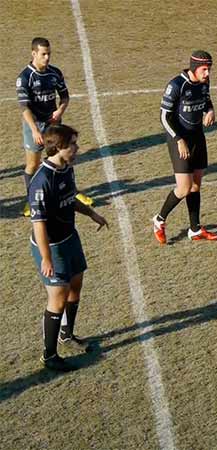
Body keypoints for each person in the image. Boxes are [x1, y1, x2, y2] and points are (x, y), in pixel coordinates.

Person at [29, 124, 108, 372]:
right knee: (58, 297)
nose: (77, 148)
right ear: (59, 147)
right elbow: (39, 224)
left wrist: (91, 213)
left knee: (76, 286)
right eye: (73, 144)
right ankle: (49, 355)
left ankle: (67, 335)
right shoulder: (42, 181)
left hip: (69, 238)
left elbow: (70, 198)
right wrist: (46, 258)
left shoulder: (66, 168)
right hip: (52, 246)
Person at [17, 37, 92, 217]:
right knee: (33, 164)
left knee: (64, 157)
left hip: (53, 125)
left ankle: (72, 190)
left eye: (49, 53)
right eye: (43, 54)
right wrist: (35, 130)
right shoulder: (25, 77)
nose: (47, 57)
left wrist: (60, 110)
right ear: (33, 53)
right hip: (33, 126)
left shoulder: (54, 73)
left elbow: (65, 97)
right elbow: (24, 108)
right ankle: (31, 198)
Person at [152, 50, 217, 244]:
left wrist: (210, 110)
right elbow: (164, 117)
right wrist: (179, 139)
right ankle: (159, 220)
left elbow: (206, 100)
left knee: (196, 185)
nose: (208, 73)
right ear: (194, 68)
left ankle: (195, 229)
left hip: (198, 137)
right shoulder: (176, 86)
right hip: (179, 140)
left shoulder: (204, 83)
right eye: (205, 69)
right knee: (184, 188)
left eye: (209, 69)